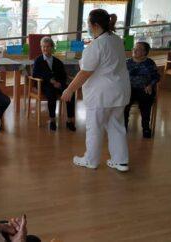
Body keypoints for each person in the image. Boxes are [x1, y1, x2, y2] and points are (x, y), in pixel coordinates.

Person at [61, 9, 131, 172]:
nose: (87, 26)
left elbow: (85, 72)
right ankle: (120, 161)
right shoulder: (117, 40)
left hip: (102, 94)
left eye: (88, 23)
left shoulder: (97, 45)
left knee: (95, 127)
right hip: (119, 92)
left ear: (95, 25)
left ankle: (91, 160)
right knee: (116, 126)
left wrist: (69, 89)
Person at [32, 36, 76, 131]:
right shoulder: (38, 60)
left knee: (70, 93)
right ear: (41, 47)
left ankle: (69, 120)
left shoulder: (57, 62)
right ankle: (52, 120)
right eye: (43, 46)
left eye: (47, 46)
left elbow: (63, 75)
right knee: (51, 94)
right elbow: (35, 74)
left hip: (58, 84)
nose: (45, 49)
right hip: (44, 84)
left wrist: (59, 83)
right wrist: (50, 80)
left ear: (52, 48)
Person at [124, 42, 160, 138]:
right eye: (134, 48)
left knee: (145, 104)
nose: (134, 50)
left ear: (145, 52)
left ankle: (145, 128)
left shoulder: (150, 63)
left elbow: (156, 77)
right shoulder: (127, 62)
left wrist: (150, 85)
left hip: (144, 89)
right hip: (129, 89)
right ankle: (123, 126)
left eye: (138, 49)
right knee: (124, 103)